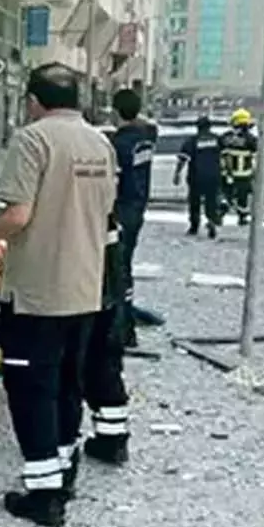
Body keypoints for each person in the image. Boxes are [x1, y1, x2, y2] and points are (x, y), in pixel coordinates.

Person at [0, 63, 116, 527]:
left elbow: (17, 216)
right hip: (85, 288)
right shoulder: (100, 143)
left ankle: (44, 496)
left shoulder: (33, 139)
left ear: (33, 100)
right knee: (68, 384)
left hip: (38, 292)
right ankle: (63, 470)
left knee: (32, 390)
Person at [108, 89, 157, 345]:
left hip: (120, 210)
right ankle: (126, 326)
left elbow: (112, 182)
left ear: (115, 111)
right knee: (124, 267)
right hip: (137, 207)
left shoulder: (119, 145)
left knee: (116, 270)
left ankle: (121, 330)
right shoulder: (145, 139)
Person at [82, 210, 131, 465]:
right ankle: (113, 437)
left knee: (83, 353)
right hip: (108, 259)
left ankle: (58, 440)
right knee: (106, 355)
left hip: (86, 260)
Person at [173, 116, 224, 238]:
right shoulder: (218, 140)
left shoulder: (192, 141)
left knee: (194, 202)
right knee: (211, 201)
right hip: (214, 175)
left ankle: (194, 226)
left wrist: (177, 174)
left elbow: (182, 158)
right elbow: (225, 155)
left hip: (196, 176)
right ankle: (211, 220)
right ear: (209, 126)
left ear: (197, 127)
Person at [219, 109, 258, 225]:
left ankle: (220, 213)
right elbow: (256, 153)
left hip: (227, 173)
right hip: (244, 174)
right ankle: (242, 217)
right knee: (242, 198)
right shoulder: (251, 139)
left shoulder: (225, 137)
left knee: (226, 194)